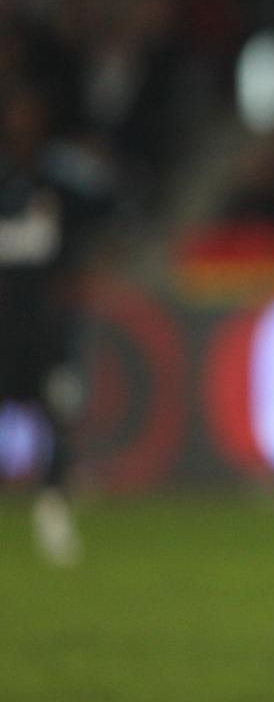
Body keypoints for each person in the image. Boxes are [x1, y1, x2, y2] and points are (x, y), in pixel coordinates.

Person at [0, 91, 110, 568]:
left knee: (57, 414)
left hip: (46, 329)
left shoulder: (60, 182)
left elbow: (104, 209)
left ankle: (53, 509)